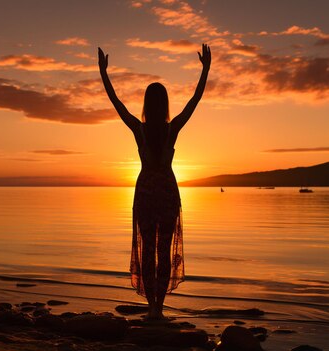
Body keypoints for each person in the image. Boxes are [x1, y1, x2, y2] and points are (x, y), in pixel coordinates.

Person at [99, 44, 211, 319]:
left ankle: (152, 309)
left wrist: (104, 74)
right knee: (161, 250)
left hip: (147, 193)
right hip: (167, 193)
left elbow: (117, 104)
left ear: (147, 105)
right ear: (165, 105)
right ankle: (158, 309)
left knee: (148, 251)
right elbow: (194, 101)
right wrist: (205, 69)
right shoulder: (172, 128)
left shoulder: (140, 129)